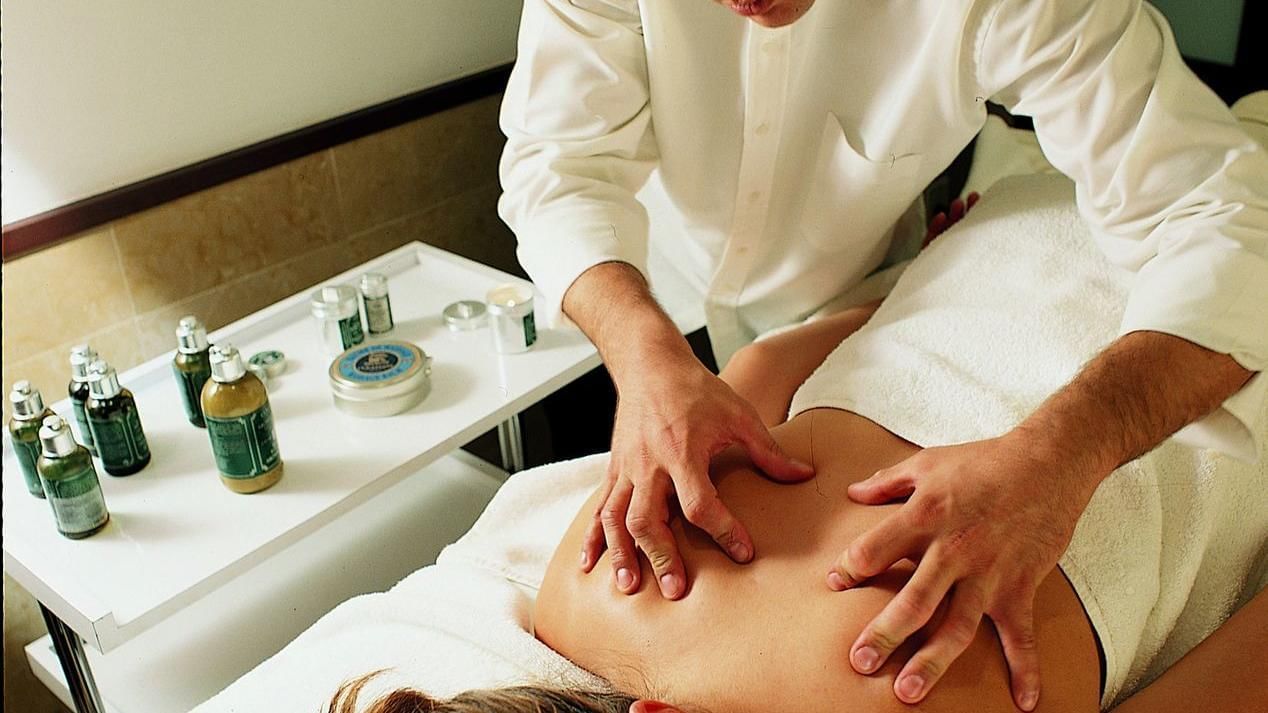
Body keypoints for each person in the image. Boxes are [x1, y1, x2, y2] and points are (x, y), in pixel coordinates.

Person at [498, 0, 1267, 708]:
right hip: (989, 265)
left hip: (1001, 271)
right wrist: (648, 357)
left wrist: (1059, 453)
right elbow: (557, 165)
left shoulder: (583, 592)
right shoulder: (578, 598)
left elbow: (1225, 224)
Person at [329, 175, 1266, 712]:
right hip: (1023, 234)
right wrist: (923, 280)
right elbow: (768, 368)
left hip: (1204, 336)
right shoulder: (585, 582)